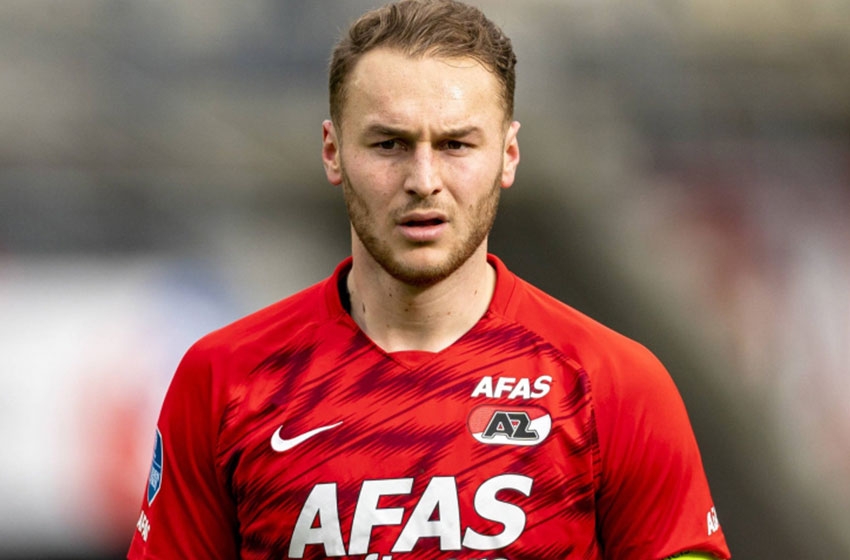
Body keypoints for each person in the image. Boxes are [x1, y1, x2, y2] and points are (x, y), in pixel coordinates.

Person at [128, 1, 731, 558]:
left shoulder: (614, 385)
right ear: (333, 151)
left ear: (508, 154)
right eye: (389, 144)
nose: (423, 180)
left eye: (455, 144)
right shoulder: (225, 381)